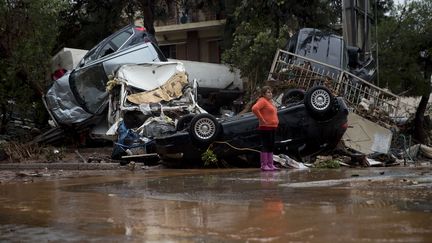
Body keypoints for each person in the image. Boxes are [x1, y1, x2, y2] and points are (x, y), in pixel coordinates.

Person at [252, 86, 279, 171]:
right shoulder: (262, 100)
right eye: (268, 92)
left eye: (271, 92)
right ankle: (264, 165)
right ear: (263, 94)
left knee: (271, 145)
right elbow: (254, 108)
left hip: (273, 126)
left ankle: (271, 164)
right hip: (265, 127)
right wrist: (262, 119)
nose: (270, 94)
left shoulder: (270, 102)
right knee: (265, 145)